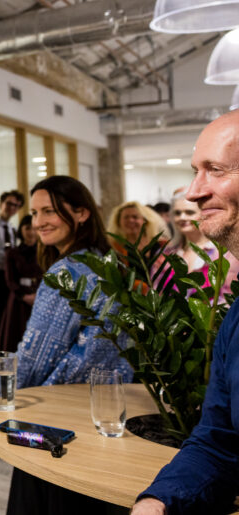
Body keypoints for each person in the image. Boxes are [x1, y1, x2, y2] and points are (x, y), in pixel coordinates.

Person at [133, 111, 239, 514]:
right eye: (196, 171)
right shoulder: (234, 321)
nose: (194, 192)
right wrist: (156, 503)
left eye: (214, 170)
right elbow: (218, 441)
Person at [8, 175, 132, 515]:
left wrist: (10, 396)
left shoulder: (66, 273)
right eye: (34, 213)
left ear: (81, 213)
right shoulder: (109, 262)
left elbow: (35, 356)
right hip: (107, 415)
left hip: (56, 418)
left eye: (49, 211)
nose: (38, 223)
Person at [165, 193, 238, 294]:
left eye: (189, 212)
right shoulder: (166, 254)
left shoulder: (224, 254)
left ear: (205, 214)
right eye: (177, 213)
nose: (182, 217)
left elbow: (229, 295)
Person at [0, 214, 41, 352]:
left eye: (34, 228)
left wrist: (38, 295)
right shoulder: (13, 253)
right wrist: (24, 296)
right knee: (16, 336)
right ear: (21, 230)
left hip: (39, 298)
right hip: (18, 300)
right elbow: (10, 280)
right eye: (27, 228)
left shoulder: (44, 252)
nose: (31, 232)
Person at [0, 190, 24, 341]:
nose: (12, 208)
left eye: (16, 205)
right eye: (9, 203)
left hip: (8, 276)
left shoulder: (14, 229)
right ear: (1, 204)